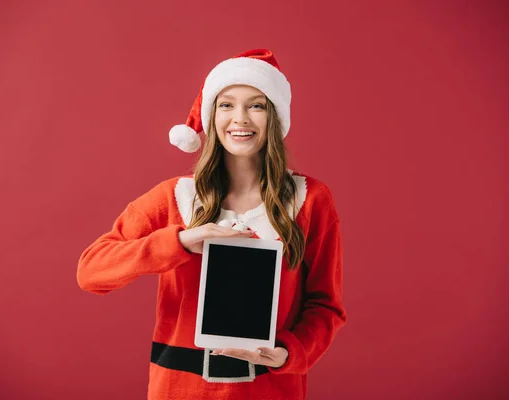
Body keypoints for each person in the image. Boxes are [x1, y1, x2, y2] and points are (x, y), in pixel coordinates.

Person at [77, 48, 346, 400]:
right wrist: (181, 243)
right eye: (226, 104)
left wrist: (289, 353)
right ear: (210, 115)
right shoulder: (173, 198)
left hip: (269, 390)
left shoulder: (310, 199)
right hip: (178, 390)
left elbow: (326, 306)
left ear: (275, 116)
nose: (240, 119)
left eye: (256, 105)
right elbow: (91, 271)